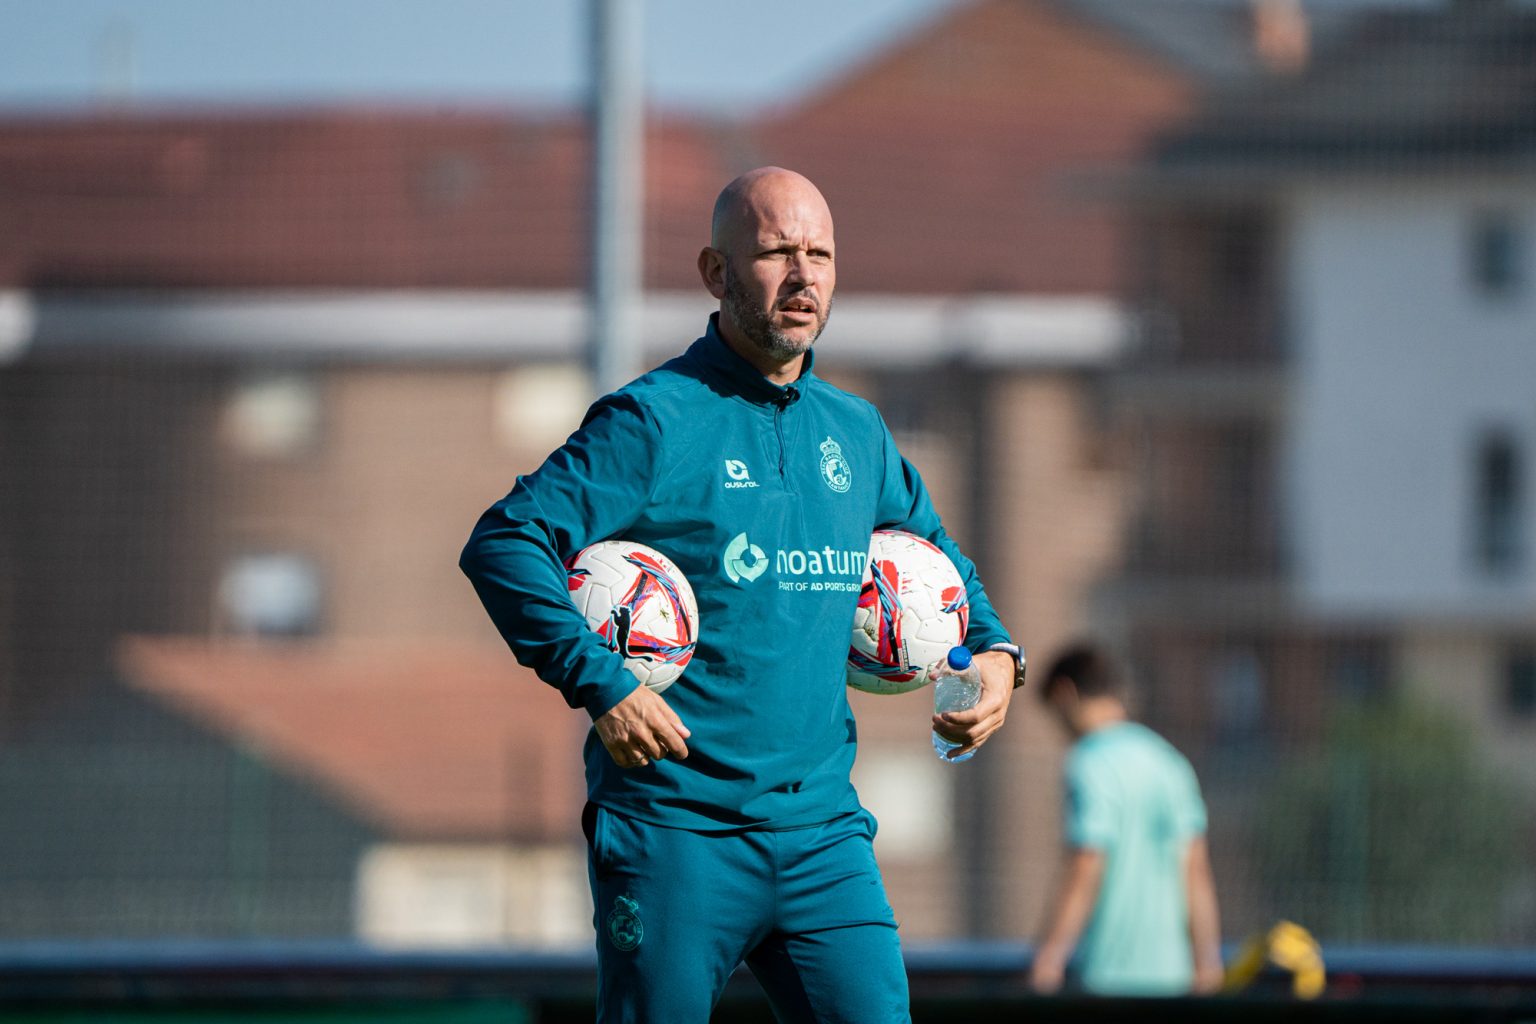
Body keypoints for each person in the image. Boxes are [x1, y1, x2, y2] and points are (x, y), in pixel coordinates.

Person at [460, 167, 1025, 1023]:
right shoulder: (653, 420)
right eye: (775, 253)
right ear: (716, 274)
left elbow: (942, 561)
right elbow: (505, 542)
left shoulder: (857, 432)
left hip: (823, 838)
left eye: (820, 254)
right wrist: (601, 683)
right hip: (675, 831)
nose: (803, 276)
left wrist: (994, 654)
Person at [1029, 642, 1223, 997]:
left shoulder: (1087, 763)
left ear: (1064, 694)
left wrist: (1049, 958)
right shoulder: (1170, 761)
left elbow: (1087, 862)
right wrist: (1206, 963)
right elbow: (1196, 869)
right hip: (1173, 979)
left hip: (1110, 978)